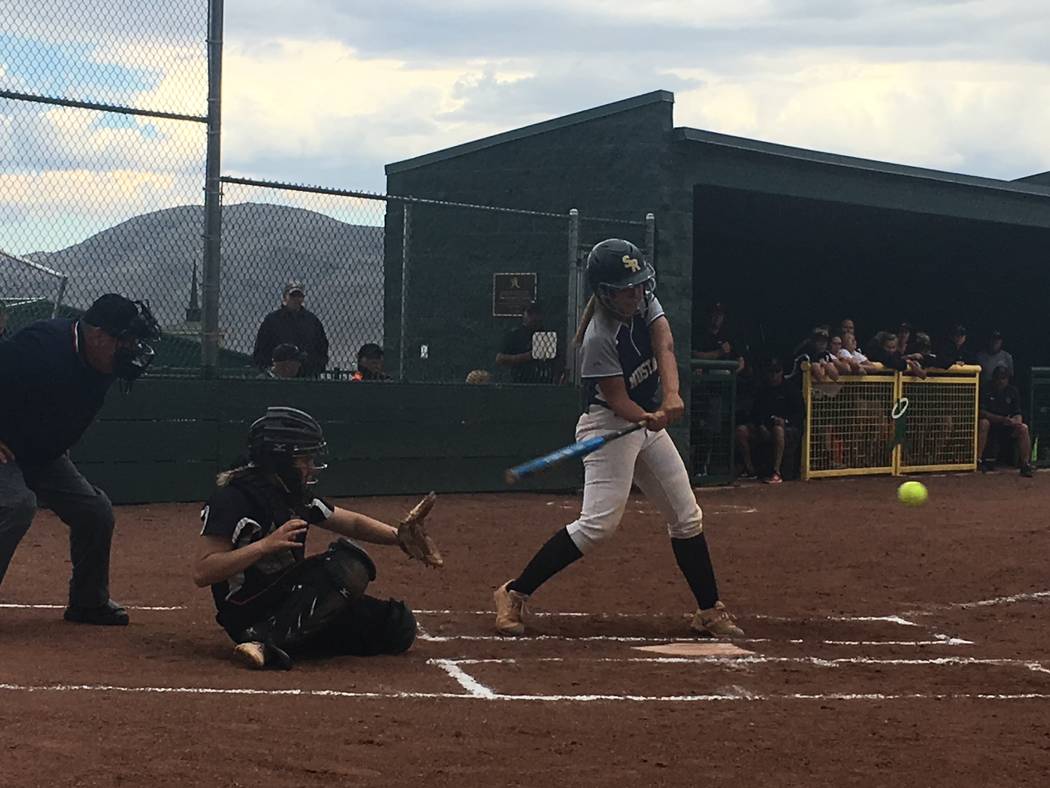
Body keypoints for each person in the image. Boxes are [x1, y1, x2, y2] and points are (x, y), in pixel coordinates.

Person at [492, 239, 743, 639]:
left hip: (642, 425)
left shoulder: (646, 302)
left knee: (686, 515)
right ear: (605, 293)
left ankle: (709, 610)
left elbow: (665, 345)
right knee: (598, 526)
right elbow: (618, 399)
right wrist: (647, 416)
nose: (637, 293)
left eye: (640, 285)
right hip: (608, 426)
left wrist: (672, 395)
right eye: (627, 288)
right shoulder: (598, 338)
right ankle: (514, 592)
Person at [193, 407, 444, 670]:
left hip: (289, 602)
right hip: (247, 610)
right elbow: (203, 571)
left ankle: (288, 640)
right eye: (304, 459)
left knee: (397, 625)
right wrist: (263, 546)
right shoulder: (234, 499)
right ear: (279, 459)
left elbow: (352, 522)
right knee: (348, 564)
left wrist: (400, 538)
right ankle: (263, 640)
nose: (311, 467)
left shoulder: (291, 494)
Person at [0, 293, 161, 625]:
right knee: (18, 504)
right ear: (100, 336)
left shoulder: (102, 363)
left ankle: (88, 602)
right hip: (6, 448)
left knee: (95, 512)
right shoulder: (40, 346)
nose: (132, 350)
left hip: (42, 454)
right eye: (126, 341)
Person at [736, 359, 803, 484]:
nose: (773, 375)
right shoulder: (763, 389)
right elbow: (755, 413)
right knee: (741, 431)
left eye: (776, 372)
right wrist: (760, 425)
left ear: (781, 372)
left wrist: (785, 421)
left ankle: (776, 472)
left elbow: (799, 415)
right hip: (764, 427)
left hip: (784, 429)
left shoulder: (790, 389)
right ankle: (750, 469)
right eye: (771, 372)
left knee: (778, 430)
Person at [252, 281, 329, 378]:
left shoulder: (312, 321)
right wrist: (271, 368)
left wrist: (314, 367)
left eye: (300, 296)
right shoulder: (272, 320)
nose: (296, 299)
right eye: (293, 296)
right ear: (285, 297)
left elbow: (322, 347)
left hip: (305, 376)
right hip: (278, 376)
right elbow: (261, 349)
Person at [978, 366, 1033, 476]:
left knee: (1023, 428)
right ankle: (977, 460)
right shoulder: (986, 389)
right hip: (992, 426)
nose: (1000, 381)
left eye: (1003, 378)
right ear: (994, 378)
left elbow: (1018, 413)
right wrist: (1001, 419)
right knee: (983, 423)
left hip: (1007, 428)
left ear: (1008, 379)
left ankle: (1025, 464)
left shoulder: (1012, 391)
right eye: (998, 378)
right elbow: (981, 412)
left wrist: (1016, 421)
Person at [495, 302, 556, 383]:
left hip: (543, 383)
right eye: (530, 313)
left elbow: (556, 360)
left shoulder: (547, 335)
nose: (534, 317)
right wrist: (526, 357)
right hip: (519, 381)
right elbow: (499, 358)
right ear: (524, 315)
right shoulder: (514, 334)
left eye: (537, 313)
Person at [691, 302, 744, 372]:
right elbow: (695, 355)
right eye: (714, 314)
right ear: (709, 315)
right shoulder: (700, 334)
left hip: (724, 378)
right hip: (704, 376)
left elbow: (740, 360)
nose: (717, 317)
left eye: (720, 315)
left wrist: (732, 373)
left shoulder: (727, 336)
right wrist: (719, 352)